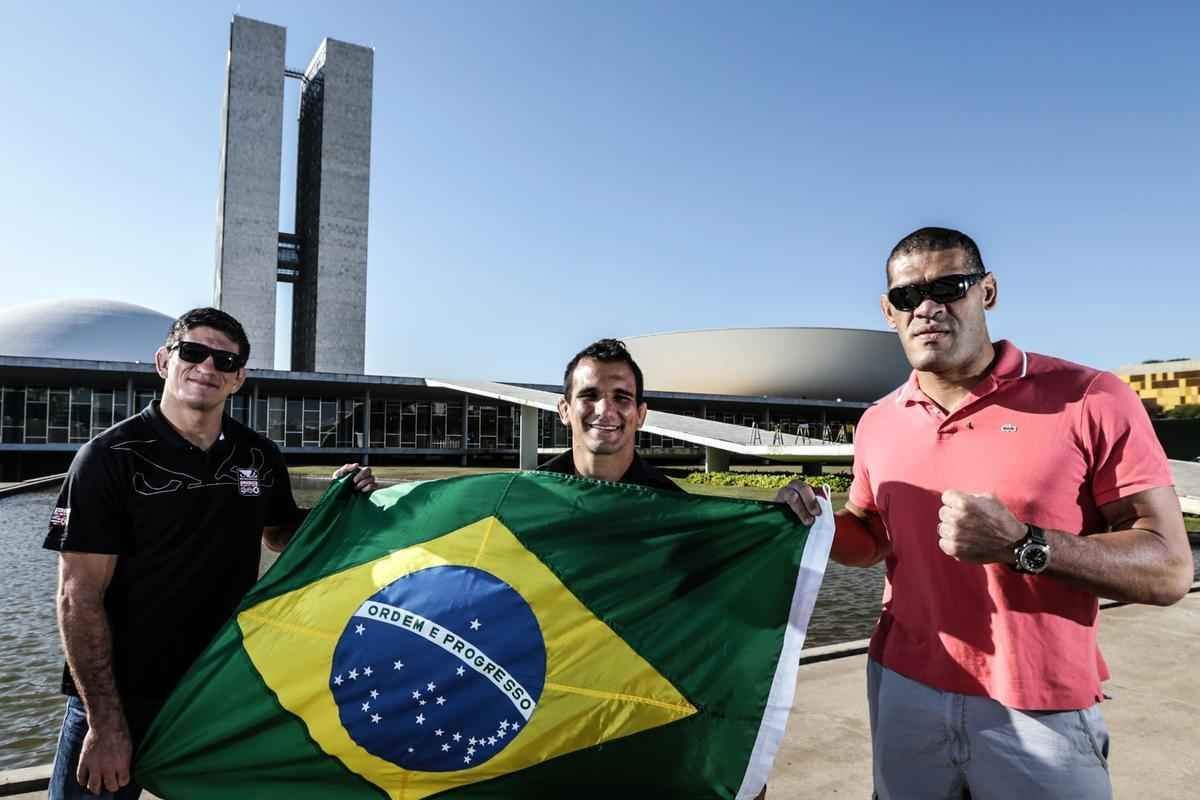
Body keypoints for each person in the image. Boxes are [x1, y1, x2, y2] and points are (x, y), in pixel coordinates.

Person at [778, 227, 1191, 799]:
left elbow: (1170, 568)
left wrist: (1023, 544)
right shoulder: (878, 420)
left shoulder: (1091, 397)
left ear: (987, 291)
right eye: (906, 296)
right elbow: (872, 537)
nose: (927, 308)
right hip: (903, 688)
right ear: (889, 312)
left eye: (949, 287)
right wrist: (815, 523)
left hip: (1039, 706)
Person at [43, 307, 377, 799]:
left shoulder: (257, 455)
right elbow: (78, 598)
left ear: (238, 378)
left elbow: (280, 534)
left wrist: (337, 501)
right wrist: (105, 721)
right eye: (193, 352)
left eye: (225, 360)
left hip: (217, 685)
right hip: (122, 696)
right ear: (164, 361)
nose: (207, 367)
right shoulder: (108, 458)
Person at [538, 338, 681, 492]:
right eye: (589, 396)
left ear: (640, 415)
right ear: (565, 410)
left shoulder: (673, 503)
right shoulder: (531, 495)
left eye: (621, 398)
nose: (605, 410)